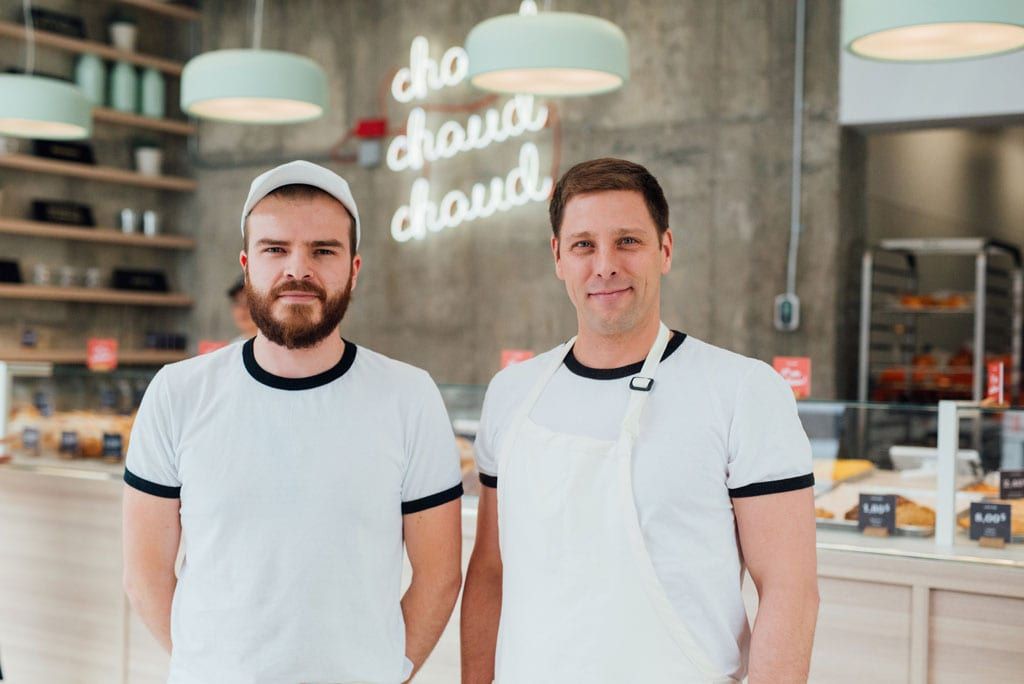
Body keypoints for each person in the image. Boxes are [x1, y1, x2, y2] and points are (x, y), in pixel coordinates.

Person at [461, 158, 819, 683]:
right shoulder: (511, 394)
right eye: (584, 244)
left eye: (627, 241)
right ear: (558, 257)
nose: (605, 264)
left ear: (665, 250)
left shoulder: (743, 390)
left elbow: (790, 588)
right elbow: (490, 574)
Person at [122, 160, 463, 684]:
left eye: (322, 250)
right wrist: (209, 666)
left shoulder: (409, 396)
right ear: (247, 265)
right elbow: (145, 575)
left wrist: (384, 672)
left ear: (354, 267)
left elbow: (439, 578)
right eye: (275, 249)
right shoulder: (177, 392)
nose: (297, 269)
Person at [226, 274, 258, 341]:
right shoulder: (234, 346)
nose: (242, 309)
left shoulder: (280, 346)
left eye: (249, 302)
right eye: (237, 302)